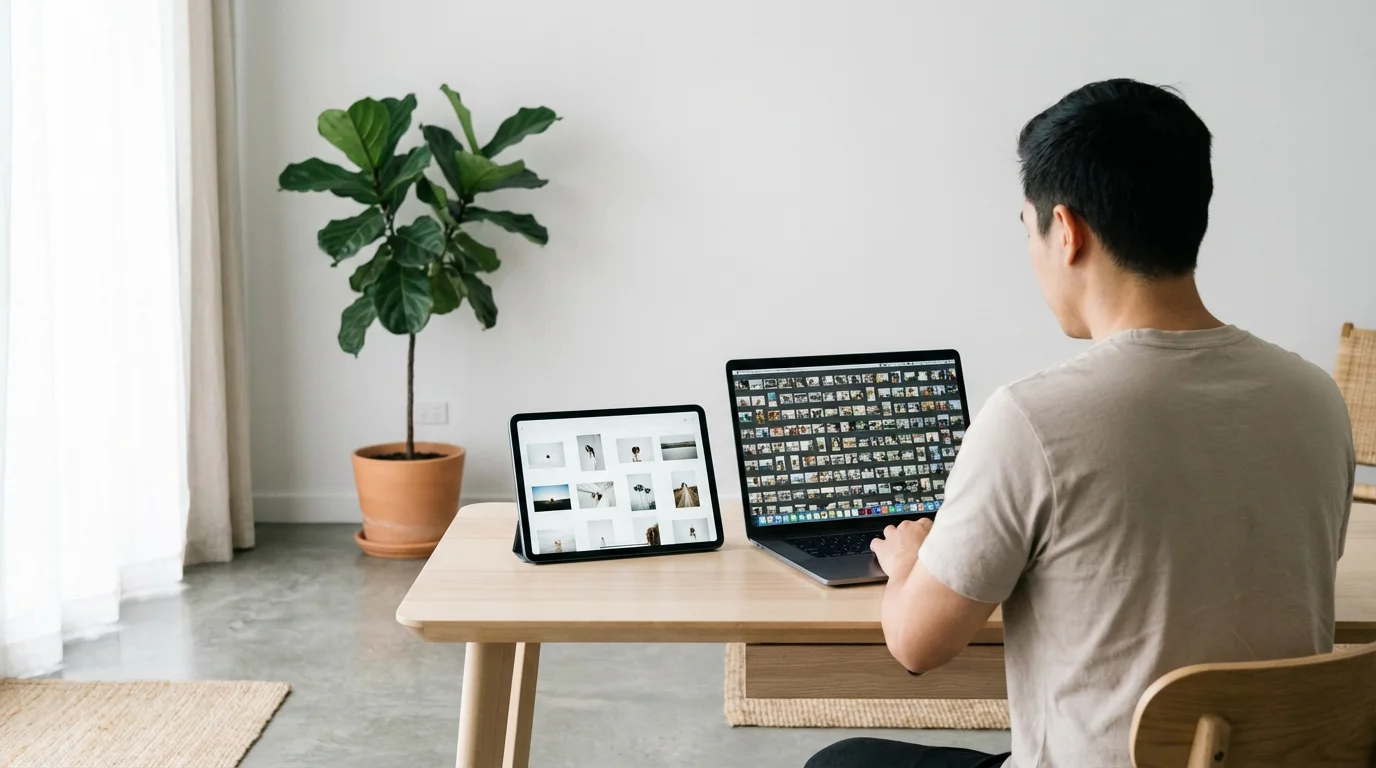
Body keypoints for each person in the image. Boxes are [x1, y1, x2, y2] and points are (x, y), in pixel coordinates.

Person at [807, 79, 1355, 768]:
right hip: (1265, 756)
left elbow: (918, 647)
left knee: (842, 763)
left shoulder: (1033, 420)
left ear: (1065, 231)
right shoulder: (1314, 397)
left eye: (1026, 227)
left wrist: (912, 560)